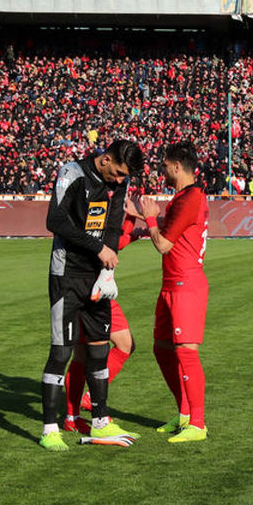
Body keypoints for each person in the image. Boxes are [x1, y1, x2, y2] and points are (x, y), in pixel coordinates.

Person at [38, 140, 144, 451]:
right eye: (118, 172)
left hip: (97, 278)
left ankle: (101, 419)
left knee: (99, 349)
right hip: (67, 275)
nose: (121, 179)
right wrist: (98, 248)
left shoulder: (119, 185)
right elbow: (54, 221)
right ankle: (50, 429)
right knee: (62, 352)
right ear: (106, 159)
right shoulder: (72, 174)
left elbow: (111, 228)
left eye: (126, 176)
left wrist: (107, 271)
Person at [138, 143, 211, 443]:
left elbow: (164, 244)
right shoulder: (183, 198)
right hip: (172, 283)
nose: (162, 170)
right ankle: (184, 413)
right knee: (162, 347)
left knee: (186, 351)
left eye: (165, 165)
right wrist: (145, 218)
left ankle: (198, 423)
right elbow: (173, 231)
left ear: (177, 166)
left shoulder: (191, 197)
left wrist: (151, 218)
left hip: (186, 283)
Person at [62, 194, 142, 435]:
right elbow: (111, 243)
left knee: (93, 351)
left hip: (96, 290)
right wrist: (134, 223)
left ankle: (78, 410)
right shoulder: (92, 215)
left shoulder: (98, 215)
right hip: (89, 291)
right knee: (86, 353)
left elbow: (115, 238)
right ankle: (77, 412)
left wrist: (130, 224)